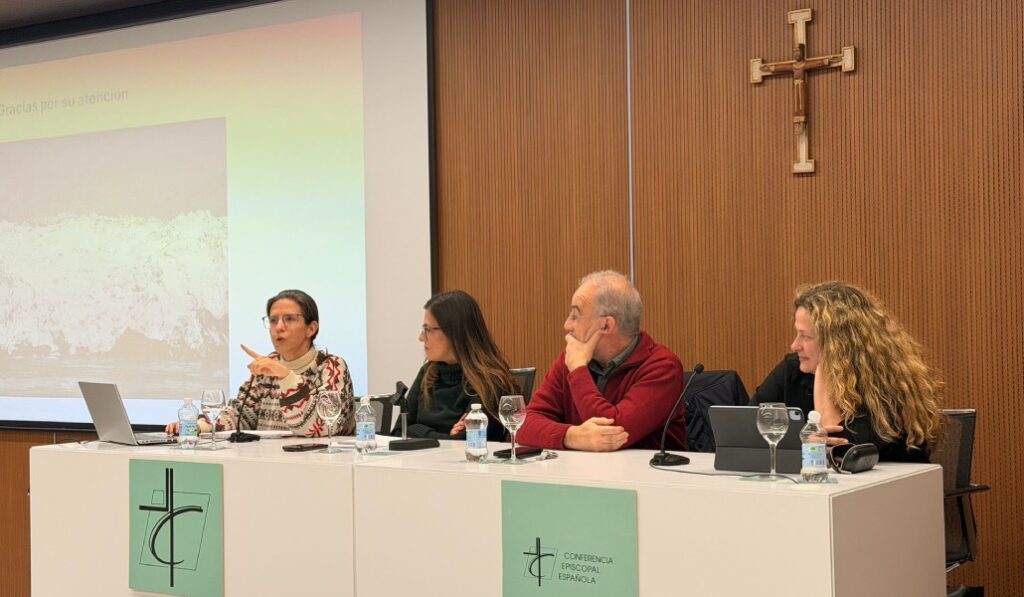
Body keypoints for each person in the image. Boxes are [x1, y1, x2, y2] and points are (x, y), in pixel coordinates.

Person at [751, 281, 944, 462]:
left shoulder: (886, 386)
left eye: (806, 337)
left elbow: (842, 456)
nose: (795, 345)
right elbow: (745, 432)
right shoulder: (792, 371)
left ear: (837, 344)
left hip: (883, 492)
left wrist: (824, 374)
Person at [516, 271, 686, 452]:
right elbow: (523, 424)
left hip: (647, 477)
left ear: (606, 325)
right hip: (581, 474)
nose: (567, 325)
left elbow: (611, 435)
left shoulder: (663, 367)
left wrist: (578, 370)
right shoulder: (570, 360)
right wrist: (570, 436)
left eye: (575, 316)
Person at [166, 289, 354, 437]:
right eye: (273, 320)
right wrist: (197, 426)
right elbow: (240, 415)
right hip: (265, 462)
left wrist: (286, 377)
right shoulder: (268, 366)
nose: (279, 327)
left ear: (311, 328)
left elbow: (320, 428)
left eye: (289, 319)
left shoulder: (331, 367)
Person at [396, 290, 516, 441]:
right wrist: (445, 437)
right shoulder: (428, 372)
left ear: (454, 332)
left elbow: (471, 442)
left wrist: (418, 430)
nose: (421, 338)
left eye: (428, 330)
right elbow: (399, 433)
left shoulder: (489, 381)